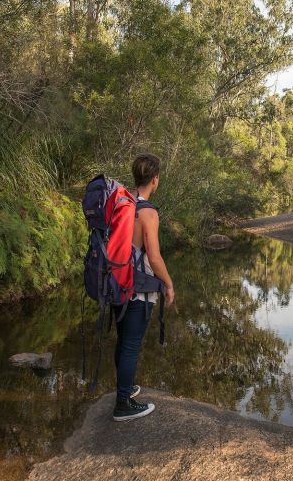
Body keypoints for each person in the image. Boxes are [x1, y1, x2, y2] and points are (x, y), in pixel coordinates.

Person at [112, 153, 176, 422]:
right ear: (155, 179)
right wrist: (169, 284)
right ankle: (123, 404)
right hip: (138, 288)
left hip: (116, 282)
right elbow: (154, 257)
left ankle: (125, 389)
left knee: (123, 340)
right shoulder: (147, 211)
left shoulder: (122, 202)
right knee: (131, 345)